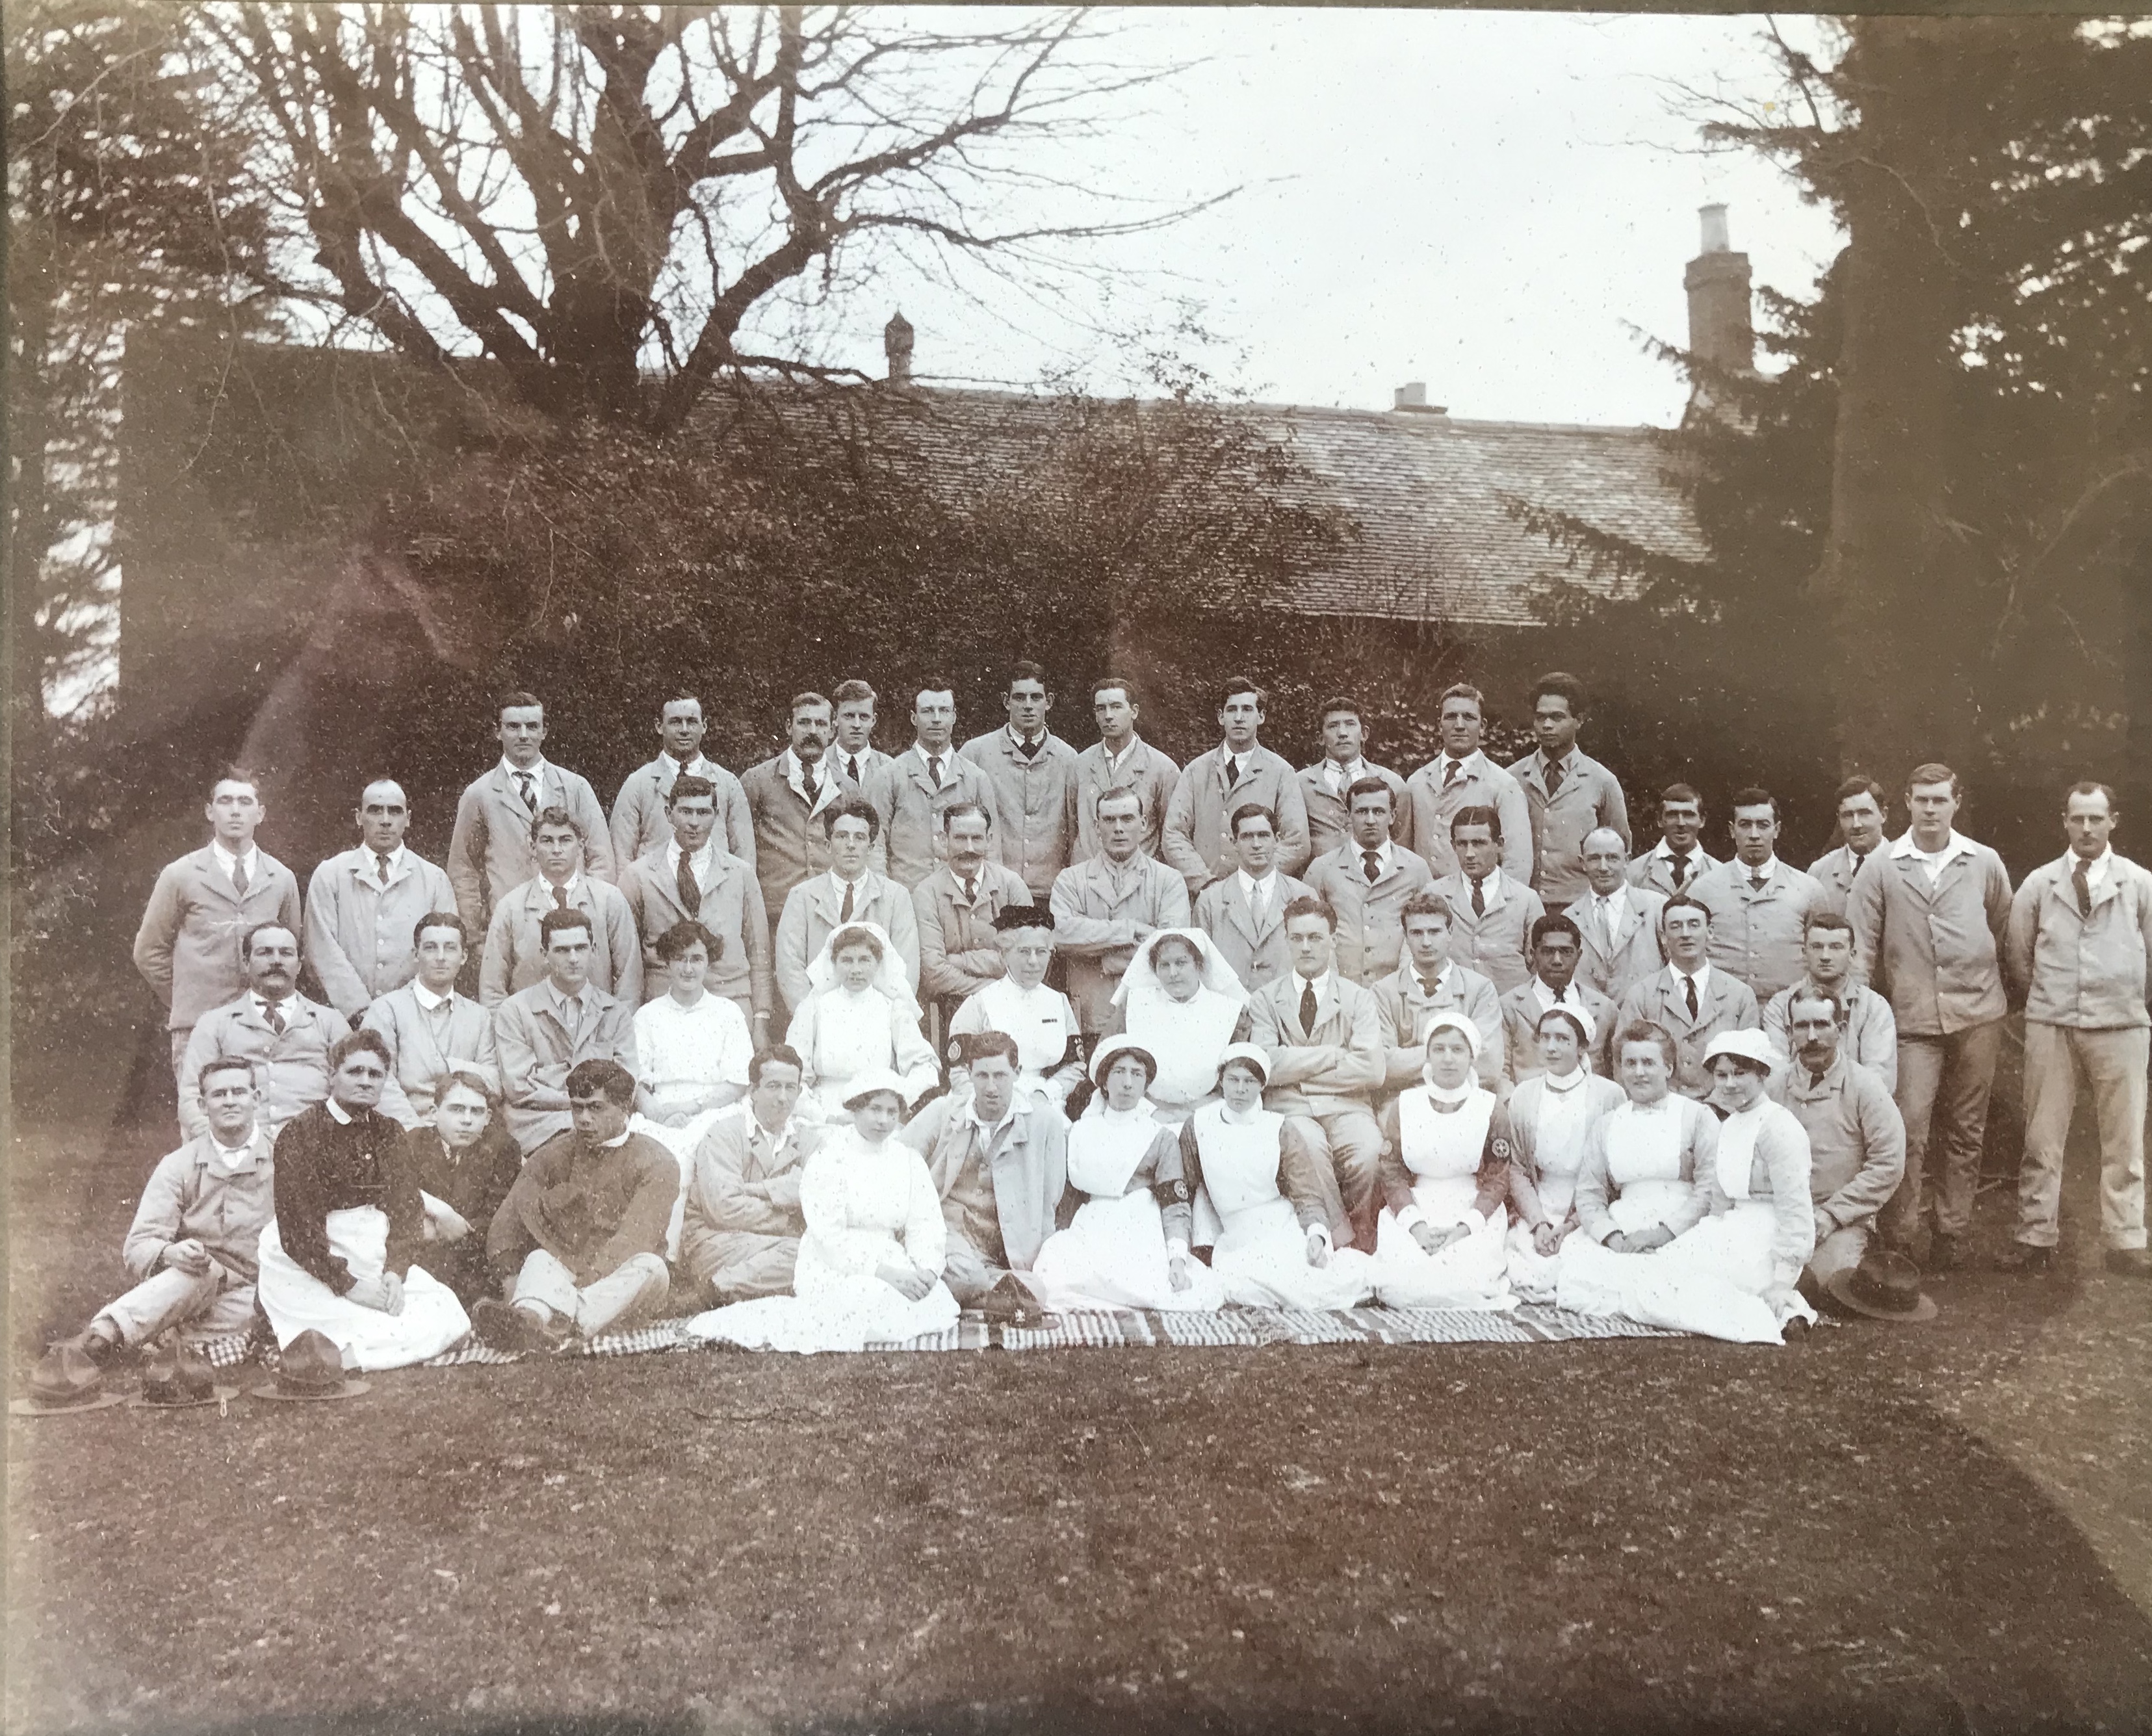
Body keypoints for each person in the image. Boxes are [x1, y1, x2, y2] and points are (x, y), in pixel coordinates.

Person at [1847, 762, 2014, 1270]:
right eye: (1921, 799)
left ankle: (1950, 1232)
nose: (1930, 809)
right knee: (1908, 1127)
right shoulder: (1881, 864)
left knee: (1966, 1128)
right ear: (1906, 801)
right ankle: (1899, 1236)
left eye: (1939, 799)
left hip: (1977, 1013)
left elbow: (2003, 927)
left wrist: (1990, 987)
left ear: (1956, 802)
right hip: (1913, 1020)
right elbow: (1861, 944)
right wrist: (1856, 1010)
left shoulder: (1982, 861)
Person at [1555, 1024, 1804, 1344]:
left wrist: (1664, 1232)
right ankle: (1778, 1310)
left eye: (1649, 1063)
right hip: (1630, 1223)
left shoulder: (1700, 1117)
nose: (1639, 1073)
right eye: (1630, 1064)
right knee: (1580, 1272)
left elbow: (1708, 1189)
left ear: (1669, 1067)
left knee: (1662, 1282)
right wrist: (1613, 1237)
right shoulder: (1607, 1125)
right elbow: (1590, 1195)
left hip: (1686, 1222)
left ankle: (1765, 1316)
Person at [686, 1070, 959, 1352]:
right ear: (855, 1109)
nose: (884, 1120)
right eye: (875, 1109)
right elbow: (829, 1237)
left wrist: (926, 1269)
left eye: (892, 1112)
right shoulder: (829, 1159)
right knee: (868, 1299)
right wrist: (884, 1273)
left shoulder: (909, 1160)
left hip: (890, 1256)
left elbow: (926, 1223)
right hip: (833, 1264)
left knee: (934, 1299)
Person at [39, 1058, 277, 1380]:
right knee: (198, 1274)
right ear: (202, 1105)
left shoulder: (284, 1159)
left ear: (257, 1099)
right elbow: (138, 1246)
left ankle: (140, 1334)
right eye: (219, 1094)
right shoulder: (178, 1165)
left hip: (256, 1293)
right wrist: (170, 1253)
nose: (231, 1101)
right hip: (190, 1284)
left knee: (250, 1313)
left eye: (239, 1092)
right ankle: (98, 1341)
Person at [2001, 781, 2152, 1276]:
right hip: (2053, 1023)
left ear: (2113, 820)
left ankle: (2126, 1239)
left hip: (2121, 1023)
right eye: (2076, 818)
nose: (2086, 828)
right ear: (2063, 822)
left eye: (2095, 818)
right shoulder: (2040, 884)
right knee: (2041, 1136)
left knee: (2124, 1138)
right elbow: (2018, 955)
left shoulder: (2139, 883)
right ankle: (2035, 1234)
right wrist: (2048, 999)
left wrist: (2126, 996)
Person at [255, 1030, 471, 1369]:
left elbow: (406, 1212)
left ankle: (345, 1356)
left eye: (375, 1074)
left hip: (372, 1250)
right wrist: (349, 1286)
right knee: (367, 1325)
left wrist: (395, 1273)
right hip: (310, 1261)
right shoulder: (301, 1134)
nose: (365, 1081)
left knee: (453, 1318)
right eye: (354, 1071)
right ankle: (341, 1356)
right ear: (333, 1075)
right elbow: (298, 1232)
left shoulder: (390, 1132)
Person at [474, 1060, 677, 1351]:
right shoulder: (556, 1153)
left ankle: (556, 1323)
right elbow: (509, 1218)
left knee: (652, 1267)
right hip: (568, 1270)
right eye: (577, 1107)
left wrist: (579, 1287)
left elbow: (635, 1240)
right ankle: (528, 1319)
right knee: (540, 1259)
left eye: (595, 1108)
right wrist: (510, 1281)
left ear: (625, 1110)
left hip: (620, 1282)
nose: (583, 1118)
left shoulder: (656, 1161)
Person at [1029, 1038, 1223, 1312]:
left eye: (1137, 1074)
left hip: (1139, 1227)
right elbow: (1066, 1200)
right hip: (1092, 1226)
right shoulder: (1079, 1132)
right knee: (1054, 1271)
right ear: (1104, 1082)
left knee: (1152, 1284)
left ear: (1145, 1084)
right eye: (1119, 1072)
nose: (1128, 1083)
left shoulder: (1159, 1137)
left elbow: (1175, 1206)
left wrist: (1177, 1259)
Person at [134, 766, 304, 1077]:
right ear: (210, 812)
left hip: (261, 1024)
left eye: (245, 802)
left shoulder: (280, 878)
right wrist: (188, 996)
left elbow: (292, 947)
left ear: (261, 813)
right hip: (197, 1026)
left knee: (262, 1116)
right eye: (226, 802)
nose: (235, 811)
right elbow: (149, 951)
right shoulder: (180, 875)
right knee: (200, 1116)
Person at [1181, 1044, 1373, 1309]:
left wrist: (1316, 1235)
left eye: (1249, 1082)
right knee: (1246, 1285)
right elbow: (1187, 1185)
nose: (1240, 1089)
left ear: (1262, 1086)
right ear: (1221, 1081)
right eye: (1233, 1080)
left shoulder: (1279, 1127)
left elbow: (1306, 1193)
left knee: (1304, 1287)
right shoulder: (1198, 1125)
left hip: (1281, 1228)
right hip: (1235, 1235)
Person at [1245, 896, 1386, 1251]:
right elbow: (1266, 1065)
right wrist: (1331, 1055)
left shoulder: (1358, 998)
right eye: (1297, 938)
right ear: (1287, 941)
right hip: (1290, 1108)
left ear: (1333, 940)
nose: (1306, 946)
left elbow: (1371, 1069)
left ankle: (1363, 1245)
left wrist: (1299, 1073)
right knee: (1308, 1147)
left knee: (1368, 1152)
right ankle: (1338, 1244)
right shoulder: (1265, 999)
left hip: (1347, 1107)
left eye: (1316, 937)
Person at [905, 1031, 1069, 1314]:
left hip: (1004, 1244)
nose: (991, 1087)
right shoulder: (945, 1111)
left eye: (1000, 1076)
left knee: (1037, 1289)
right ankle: (1002, 1293)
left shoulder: (1046, 1123)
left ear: (1017, 1073)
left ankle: (979, 1293)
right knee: (968, 1275)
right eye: (982, 1076)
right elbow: (901, 1161)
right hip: (947, 1234)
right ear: (969, 1073)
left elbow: (1050, 1196)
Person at [1366, 1012, 1516, 1309]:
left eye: (1458, 1050)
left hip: (1470, 1208)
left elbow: (1498, 1178)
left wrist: (1464, 1227)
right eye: (1439, 1049)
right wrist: (1416, 1226)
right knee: (1403, 1283)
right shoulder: (1406, 1104)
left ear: (1472, 1057)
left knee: (1466, 1280)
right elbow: (1392, 1172)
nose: (1448, 1059)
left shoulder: (1490, 1107)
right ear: (1428, 1055)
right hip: (1415, 1207)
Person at [1772, 987, 1906, 1294]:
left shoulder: (1866, 1088)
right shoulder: (1774, 1086)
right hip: (1780, 1213)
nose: (1812, 1037)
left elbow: (1888, 1163)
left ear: (1841, 1030)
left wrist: (1833, 1214)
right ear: (1791, 1033)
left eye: (1821, 1025)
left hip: (1839, 1220)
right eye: (1801, 1027)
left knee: (1823, 1286)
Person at [447, 692, 614, 935]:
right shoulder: (480, 794)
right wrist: (475, 933)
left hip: (573, 926)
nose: (523, 735)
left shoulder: (575, 787)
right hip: (511, 926)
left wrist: (591, 915)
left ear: (544, 731)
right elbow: (464, 869)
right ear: (498, 731)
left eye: (532, 726)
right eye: (513, 727)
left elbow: (601, 858)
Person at [617, 773, 772, 1032]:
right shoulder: (639, 875)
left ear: (716, 814)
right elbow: (625, 958)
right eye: (685, 812)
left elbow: (760, 952)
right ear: (669, 814)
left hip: (730, 999)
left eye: (703, 812)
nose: (694, 823)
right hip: (663, 1006)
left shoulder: (740, 873)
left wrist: (761, 1020)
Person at [679, 1046, 825, 1306]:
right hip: (716, 1240)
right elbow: (724, 1209)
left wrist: (755, 1190)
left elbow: (822, 1198)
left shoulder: (808, 1140)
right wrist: (789, 1213)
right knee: (807, 1255)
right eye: (773, 1086)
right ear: (753, 1090)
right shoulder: (724, 1134)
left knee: (821, 1255)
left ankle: (724, 1289)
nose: (783, 1097)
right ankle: (720, 1289)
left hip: (774, 1245)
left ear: (800, 1092)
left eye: (790, 1088)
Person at [178, 923, 352, 1141]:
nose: (276, 961)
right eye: (265, 952)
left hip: (317, 1147)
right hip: (237, 1148)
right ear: (246, 963)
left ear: (299, 965)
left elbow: (358, 1085)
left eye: (286, 953)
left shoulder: (330, 1022)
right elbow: (191, 1097)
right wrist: (226, 1142)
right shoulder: (214, 1024)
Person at [303, 778, 459, 1022]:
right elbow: (322, 950)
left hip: (415, 1018)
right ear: (358, 817)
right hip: (343, 1018)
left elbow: (445, 949)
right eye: (375, 810)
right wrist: (359, 1010)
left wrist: (402, 1011)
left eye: (395, 811)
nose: (385, 820)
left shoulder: (434, 878)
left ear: (408, 818)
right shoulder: (330, 875)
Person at [1502, 1007, 1625, 1303]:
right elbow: (1517, 1168)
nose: (1552, 1047)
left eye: (1562, 1039)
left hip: (1588, 1207)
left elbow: (1610, 1174)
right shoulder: (1524, 1095)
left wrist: (1570, 1225)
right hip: (1539, 1204)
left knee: (1578, 1269)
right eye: (1545, 1038)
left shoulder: (1610, 1096)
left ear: (1582, 1046)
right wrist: (1539, 1223)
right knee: (1525, 1267)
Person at [492, 908, 640, 1152]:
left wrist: (550, 1079)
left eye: (581, 948)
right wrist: (584, 1102)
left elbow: (627, 1083)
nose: (573, 958)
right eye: (562, 950)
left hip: (602, 1125)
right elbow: (519, 1087)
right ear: (544, 954)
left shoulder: (615, 1013)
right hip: (538, 1125)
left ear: (594, 950)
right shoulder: (516, 1010)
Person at [1052, 788, 1195, 1037]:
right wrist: (1132, 930)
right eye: (1109, 820)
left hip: (1151, 1014)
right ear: (1097, 826)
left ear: (1144, 823)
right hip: (1089, 1014)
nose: (1118, 828)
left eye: (1127, 819)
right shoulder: (1071, 880)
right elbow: (1061, 935)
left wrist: (1102, 956)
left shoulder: (1169, 880)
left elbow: (1170, 948)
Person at [740, 692, 881, 938]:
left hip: (830, 915)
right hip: (775, 916)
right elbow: (741, 851)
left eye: (820, 724)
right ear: (788, 727)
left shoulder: (847, 788)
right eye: (804, 723)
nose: (812, 731)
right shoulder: (757, 781)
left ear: (832, 730)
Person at [1161, 677, 1312, 896]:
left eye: (1247, 710)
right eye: (1232, 710)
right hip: (1205, 895)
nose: (1239, 718)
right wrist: (1205, 882)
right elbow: (1174, 834)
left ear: (1261, 716)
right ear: (1221, 717)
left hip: (1262, 894)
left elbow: (1297, 841)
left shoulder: (1281, 772)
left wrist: (1256, 878)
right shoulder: (1197, 771)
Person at [478, 805, 642, 1007]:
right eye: (547, 841)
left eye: (565, 840)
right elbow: (492, 988)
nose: (556, 850)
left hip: (597, 1028)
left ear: (581, 847)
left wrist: (614, 1031)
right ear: (533, 847)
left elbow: (629, 980)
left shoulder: (609, 900)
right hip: (532, 1030)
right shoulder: (511, 907)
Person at [773, 797, 920, 1015]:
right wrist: (814, 1019)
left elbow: (906, 970)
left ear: (870, 847)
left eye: (860, 838)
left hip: (878, 1019)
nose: (851, 845)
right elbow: (790, 969)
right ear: (828, 845)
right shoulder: (802, 897)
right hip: (818, 1018)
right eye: (842, 836)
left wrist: (880, 1019)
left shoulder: (896, 897)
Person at [785, 923, 939, 1122]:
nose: (856, 969)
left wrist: (897, 1102)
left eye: (865, 960)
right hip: (824, 1113)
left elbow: (925, 1067)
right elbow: (792, 1074)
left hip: (879, 1115)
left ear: (878, 963)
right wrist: (822, 1117)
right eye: (847, 960)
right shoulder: (813, 1009)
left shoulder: (894, 1010)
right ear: (834, 963)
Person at [1613, 896, 1761, 1098]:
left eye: (1694, 925)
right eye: (1675, 926)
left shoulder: (1740, 995)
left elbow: (1752, 1066)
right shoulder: (1641, 995)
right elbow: (1625, 1065)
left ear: (1710, 933)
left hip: (1725, 1112)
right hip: (1660, 1112)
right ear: (1663, 936)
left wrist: (1718, 1109)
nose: (1685, 934)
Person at [360, 913, 499, 1128]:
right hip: (403, 1130)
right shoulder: (387, 1010)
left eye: (450, 948)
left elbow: (493, 1083)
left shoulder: (478, 1016)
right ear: (417, 955)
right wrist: (414, 1129)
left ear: (464, 957)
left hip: (465, 1128)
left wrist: (448, 1065)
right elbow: (381, 1083)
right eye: (431, 947)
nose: (441, 957)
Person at [1690, 788, 1829, 1000]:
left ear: (1777, 830)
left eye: (1763, 825)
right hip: (1722, 1009)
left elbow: (1824, 955)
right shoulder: (1703, 890)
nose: (1754, 835)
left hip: (1789, 1012)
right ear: (1732, 830)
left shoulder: (1808, 889)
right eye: (1745, 825)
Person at [1507, 671, 1630, 911]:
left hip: (1583, 906)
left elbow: (1620, 849)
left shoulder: (1602, 781)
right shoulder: (1512, 778)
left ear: (1579, 720)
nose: (1547, 726)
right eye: (1541, 718)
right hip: (1524, 904)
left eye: (1557, 717)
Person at [1104, 929, 1252, 1124]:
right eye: (1164, 965)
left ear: (1198, 965)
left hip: (1212, 1115)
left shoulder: (1230, 1011)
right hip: (1143, 1114)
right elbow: (1107, 1066)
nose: (1173, 973)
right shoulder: (1133, 1004)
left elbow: (1243, 1076)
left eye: (1181, 963)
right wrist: (1151, 1110)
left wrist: (1198, 1113)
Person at [960, 661, 1082, 901]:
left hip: (1053, 892)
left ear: (1050, 701)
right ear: (1006, 701)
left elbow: (1076, 828)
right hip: (994, 891)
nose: (1028, 706)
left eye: (1036, 697)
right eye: (1019, 698)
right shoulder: (975, 754)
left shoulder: (1069, 759)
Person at [868, 679, 1005, 889]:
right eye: (928, 711)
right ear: (914, 718)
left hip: (961, 897)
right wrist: (885, 895)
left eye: (944, 711)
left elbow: (992, 849)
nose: (936, 719)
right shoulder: (889, 776)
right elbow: (875, 844)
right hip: (907, 896)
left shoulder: (975, 777)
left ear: (954, 717)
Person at [403, 1070, 523, 1307]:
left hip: (475, 1257)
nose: (467, 1120)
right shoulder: (412, 1143)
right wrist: (439, 1217)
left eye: (476, 1111)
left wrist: (438, 1231)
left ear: (488, 1117)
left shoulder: (503, 1149)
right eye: (457, 1109)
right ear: (434, 1113)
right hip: (421, 1257)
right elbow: (396, 1196)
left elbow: (496, 1218)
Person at [947, 907, 1084, 1111]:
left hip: (1046, 1103)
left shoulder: (1058, 1002)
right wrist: (988, 1103)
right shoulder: (980, 1003)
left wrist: (1047, 1093)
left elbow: (1075, 1066)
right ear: (1004, 955)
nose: (1033, 961)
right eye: (1024, 952)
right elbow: (960, 1071)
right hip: (989, 1103)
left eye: (1041, 952)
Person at [1303, 777, 1436, 986]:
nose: (1371, 820)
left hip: (1398, 990)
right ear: (1348, 816)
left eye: (1379, 811)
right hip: (1340, 988)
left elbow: (1428, 927)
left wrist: (1404, 983)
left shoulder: (1415, 868)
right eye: (1362, 812)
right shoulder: (1322, 869)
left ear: (1392, 816)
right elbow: (1308, 930)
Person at [1373, 891, 1506, 1096]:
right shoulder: (1384, 991)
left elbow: (1489, 1065)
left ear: (1450, 932)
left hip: (1467, 1096)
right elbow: (1382, 1066)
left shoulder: (1480, 989)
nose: (1426, 942)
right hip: (1404, 1099)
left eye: (1434, 932)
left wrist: (1408, 1060)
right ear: (1406, 937)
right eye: (1417, 933)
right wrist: (1458, 1052)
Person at [913, 802, 1034, 1026]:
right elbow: (932, 973)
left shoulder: (1012, 886)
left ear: (989, 840)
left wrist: (958, 961)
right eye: (960, 838)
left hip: (1013, 1007)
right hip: (948, 1010)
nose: (969, 847)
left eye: (977, 839)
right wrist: (994, 986)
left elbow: (1028, 960)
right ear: (943, 839)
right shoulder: (926, 893)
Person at [608, 692, 755, 868]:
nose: (684, 730)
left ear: (705, 726)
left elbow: (744, 856)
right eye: (676, 722)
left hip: (715, 890)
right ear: (659, 726)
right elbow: (621, 856)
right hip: (656, 890)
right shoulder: (637, 785)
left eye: (692, 721)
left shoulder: (728, 784)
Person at [1403, 684, 1531, 883]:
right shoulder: (1417, 781)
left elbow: (1518, 863)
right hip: (1424, 904)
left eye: (1469, 717)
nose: (1460, 725)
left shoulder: (1503, 784)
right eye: (1451, 716)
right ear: (1440, 724)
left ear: (1483, 726)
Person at [631, 920, 753, 1129]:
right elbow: (637, 1085)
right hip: (661, 1111)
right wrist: (660, 1116)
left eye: (696, 959)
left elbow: (738, 1084)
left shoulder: (729, 1013)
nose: (688, 969)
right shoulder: (647, 1016)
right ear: (668, 962)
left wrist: (694, 1106)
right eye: (680, 959)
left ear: (709, 962)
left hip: (717, 1111)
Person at [1761, 912, 1899, 1090]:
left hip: (1853, 1108)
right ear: (1804, 952)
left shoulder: (1873, 1006)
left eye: (1836, 947)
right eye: (1817, 947)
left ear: (1852, 954)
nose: (1825, 956)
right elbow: (1776, 1073)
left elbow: (1879, 1078)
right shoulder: (1780, 1006)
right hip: (1795, 1104)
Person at [1191, 803, 1313, 996]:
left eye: (1264, 835)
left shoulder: (1302, 896)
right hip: (1230, 1013)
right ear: (1234, 843)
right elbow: (1199, 969)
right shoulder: (1210, 901)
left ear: (1277, 840)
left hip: (1287, 1010)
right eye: (1247, 837)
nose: (1256, 845)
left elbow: (1320, 965)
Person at [1431, 806, 1545, 994]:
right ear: (1453, 845)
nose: (1469, 854)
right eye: (1462, 844)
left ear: (1499, 844)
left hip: (1508, 1010)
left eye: (1479, 843)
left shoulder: (1526, 900)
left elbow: (1539, 967)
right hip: (1453, 1005)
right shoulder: (1436, 894)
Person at [1498, 914, 1617, 1083]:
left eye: (1566, 952)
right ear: (1533, 955)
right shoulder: (1509, 1006)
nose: (1557, 960)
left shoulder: (1605, 1008)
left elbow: (1617, 1069)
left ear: (1579, 955)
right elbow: (1500, 1071)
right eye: (1547, 951)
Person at [1075, 677, 1180, 862]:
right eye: (1101, 708)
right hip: (1088, 879)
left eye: (1116, 707)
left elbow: (1172, 835)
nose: (1108, 715)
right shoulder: (1079, 765)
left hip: (1141, 880)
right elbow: (1071, 828)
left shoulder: (1162, 768)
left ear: (1134, 711)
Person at [1298, 697, 1410, 860]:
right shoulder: (1301, 783)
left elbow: (1402, 845)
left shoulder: (1392, 783)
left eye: (1350, 724)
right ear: (1320, 738)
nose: (1342, 733)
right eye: (1333, 726)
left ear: (1364, 734)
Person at [1572, 827, 1666, 1004]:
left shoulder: (1656, 907)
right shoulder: (1570, 918)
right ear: (1582, 863)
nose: (1603, 867)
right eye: (1594, 859)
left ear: (1627, 860)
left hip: (1645, 1015)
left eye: (1612, 858)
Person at [1808, 775, 1891, 916]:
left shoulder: (1905, 866)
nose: (1856, 824)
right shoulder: (1819, 872)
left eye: (1864, 813)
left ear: (1883, 814)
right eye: (1847, 815)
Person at [1628, 784, 1720, 897]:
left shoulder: (1720, 874)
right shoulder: (1633, 872)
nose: (1681, 823)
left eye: (1688, 815)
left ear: (1702, 820)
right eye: (1672, 815)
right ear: (1660, 820)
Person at [830, 678, 896, 792]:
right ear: (835, 718)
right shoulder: (820, 763)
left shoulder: (889, 767)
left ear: (874, 720)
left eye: (864, 717)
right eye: (849, 716)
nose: (857, 725)